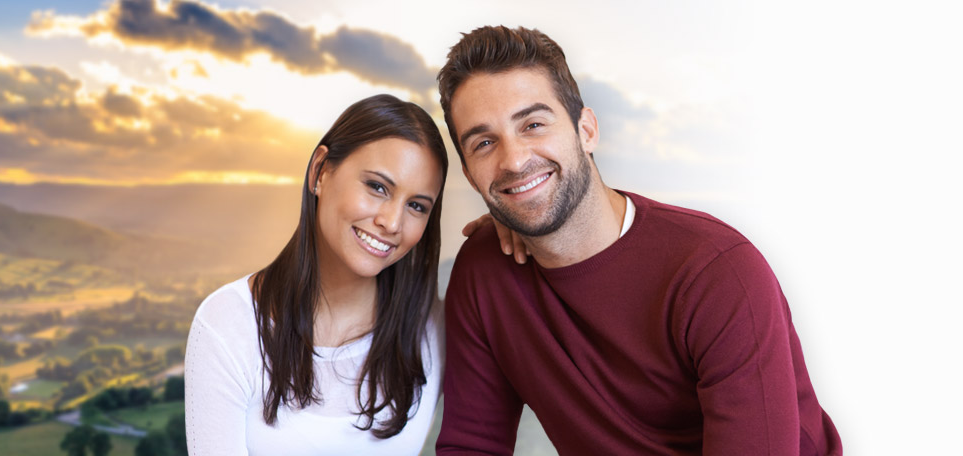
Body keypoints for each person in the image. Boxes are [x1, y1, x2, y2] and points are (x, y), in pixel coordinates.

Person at [435, 26, 841, 455]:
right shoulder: (484, 272)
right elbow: (472, 445)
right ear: (469, 175)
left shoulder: (716, 272)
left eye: (533, 124)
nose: (514, 159)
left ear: (586, 130)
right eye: (483, 143)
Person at [184, 94, 448, 455]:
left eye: (416, 206)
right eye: (377, 187)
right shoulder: (228, 325)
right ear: (321, 171)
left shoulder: (434, 328)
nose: (392, 222)